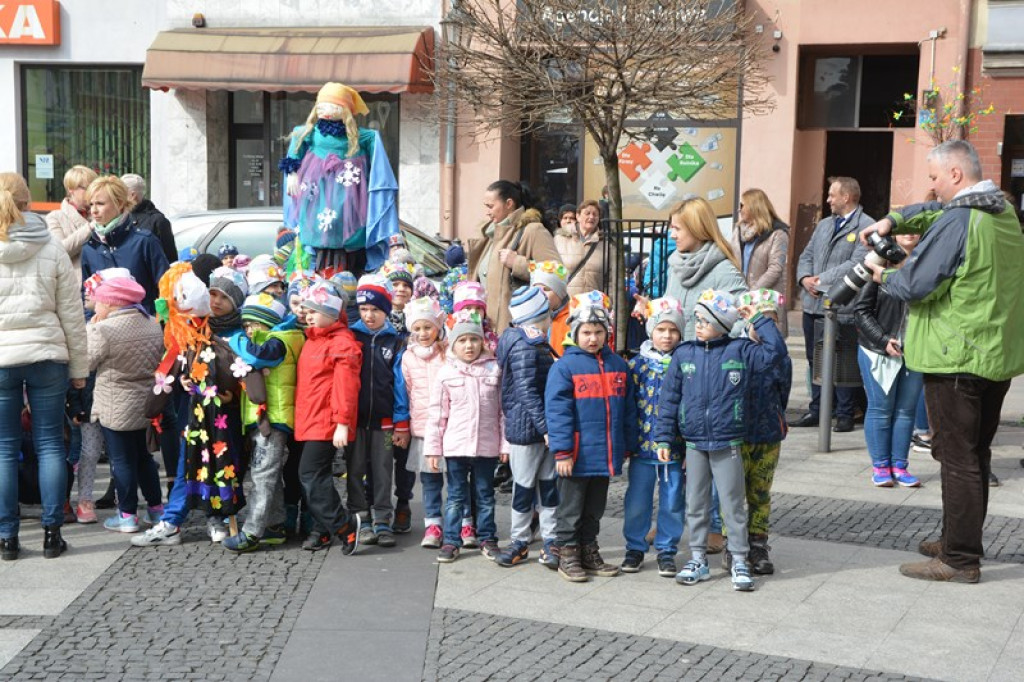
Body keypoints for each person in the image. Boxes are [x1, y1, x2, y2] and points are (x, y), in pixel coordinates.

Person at [860, 140, 1024, 583]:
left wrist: (882, 273)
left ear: (955, 174)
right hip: (994, 354)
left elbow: (915, 283)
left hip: (956, 356)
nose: (931, 188)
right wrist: (895, 218)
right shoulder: (1000, 213)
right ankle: (959, 537)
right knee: (975, 454)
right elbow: (937, 215)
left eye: (934, 178)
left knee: (957, 458)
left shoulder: (962, 220)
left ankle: (958, 557)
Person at [653, 290, 785, 592]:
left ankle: (739, 559)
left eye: (705, 320)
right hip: (695, 443)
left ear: (723, 324)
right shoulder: (684, 354)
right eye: (697, 319)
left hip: (728, 442)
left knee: (732, 504)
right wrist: (663, 438)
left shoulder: (741, 351)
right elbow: (669, 400)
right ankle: (697, 557)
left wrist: (755, 319)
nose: (698, 325)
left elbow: (775, 352)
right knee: (696, 503)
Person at [0, 172, 87, 560]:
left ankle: (8, 538)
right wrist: (80, 368)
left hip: (2, 358)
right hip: (48, 354)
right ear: (27, 201)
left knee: (4, 449)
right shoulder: (51, 247)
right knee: (51, 443)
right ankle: (52, 533)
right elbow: (72, 314)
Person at [545, 292, 638, 582]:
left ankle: (588, 549)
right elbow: (558, 412)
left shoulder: (618, 366)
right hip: (576, 454)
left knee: (595, 508)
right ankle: (567, 552)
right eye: (586, 332)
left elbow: (628, 410)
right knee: (570, 507)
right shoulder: (564, 367)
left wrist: (628, 445)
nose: (593, 338)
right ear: (575, 333)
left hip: (605, 452)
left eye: (599, 332)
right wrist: (562, 451)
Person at [85, 270, 165, 533]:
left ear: (110, 302)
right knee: (144, 457)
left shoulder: (102, 330)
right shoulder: (152, 323)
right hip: (146, 403)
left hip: (115, 404)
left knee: (121, 461)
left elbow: (86, 363)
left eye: (98, 301)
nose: (96, 305)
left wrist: (90, 328)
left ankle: (128, 516)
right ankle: (156, 509)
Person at [223, 293, 305, 552]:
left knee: (262, 475)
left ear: (267, 321)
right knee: (268, 474)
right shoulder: (277, 337)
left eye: (252, 324)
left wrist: (235, 338)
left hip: (274, 417)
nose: (248, 330)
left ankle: (252, 531)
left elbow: (256, 356)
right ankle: (275, 525)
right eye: (245, 326)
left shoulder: (281, 340)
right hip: (266, 416)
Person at [791, 176, 873, 433]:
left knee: (843, 360)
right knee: (814, 359)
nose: (827, 200)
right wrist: (805, 279)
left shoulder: (866, 226)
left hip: (842, 308)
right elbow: (806, 254)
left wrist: (821, 280)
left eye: (831, 195)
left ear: (846, 197)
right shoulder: (825, 224)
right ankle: (818, 410)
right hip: (813, 305)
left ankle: (846, 413)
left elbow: (857, 265)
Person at [425, 310, 508, 563]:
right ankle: (451, 540)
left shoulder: (494, 370)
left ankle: (487, 538)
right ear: (453, 343)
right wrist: (433, 449)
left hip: (486, 446)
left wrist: (505, 445)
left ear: (482, 341)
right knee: (456, 497)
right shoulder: (446, 373)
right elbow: (437, 415)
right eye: (462, 340)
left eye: (473, 339)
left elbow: (503, 412)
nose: (469, 345)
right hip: (456, 447)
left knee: (485, 494)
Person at [294, 280, 362, 554]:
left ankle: (343, 525)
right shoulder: (315, 337)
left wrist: (342, 423)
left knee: (310, 474)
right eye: (306, 310)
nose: (308, 315)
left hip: (326, 422)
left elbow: (346, 388)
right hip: (312, 420)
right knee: (314, 476)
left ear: (332, 314)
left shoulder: (340, 343)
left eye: (314, 310)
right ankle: (324, 529)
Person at [621, 297, 686, 577]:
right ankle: (635, 547)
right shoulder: (636, 365)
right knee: (637, 501)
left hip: (674, 450)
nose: (667, 336)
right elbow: (627, 407)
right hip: (642, 450)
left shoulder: (686, 364)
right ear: (651, 331)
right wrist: (629, 442)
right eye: (661, 330)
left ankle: (667, 550)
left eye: (673, 331)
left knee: (672, 502)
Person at [494, 286, 558, 569]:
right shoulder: (527, 346)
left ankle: (551, 539)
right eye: (547, 314)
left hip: (534, 426)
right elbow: (527, 391)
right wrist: (546, 427)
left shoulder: (529, 342)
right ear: (538, 316)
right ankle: (519, 541)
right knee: (525, 487)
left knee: (548, 485)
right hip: (530, 429)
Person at [853, 233, 923, 489]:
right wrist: (883, 340)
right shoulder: (877, 262)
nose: (910, 233)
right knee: (881, 409)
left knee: (906, 411)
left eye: (914, 229)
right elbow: (861, 311)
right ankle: (881, 466)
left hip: (914, 349)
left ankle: (900, 466)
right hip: (877, 349)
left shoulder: (925, 262)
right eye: (904, 228)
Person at [731, 288, 792, 575]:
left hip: (768, 434)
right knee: (733, 493)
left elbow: (783, 392)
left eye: (771, 321)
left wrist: (779, 418)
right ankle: (735, 545)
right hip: (738, 434)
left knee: (760, 493)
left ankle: (758, 543)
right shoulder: (737, 351)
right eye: (760, 321)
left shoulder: (781, 356)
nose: (767, 327)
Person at [347, 275, 410, 548]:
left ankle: (383, 518)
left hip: (384, 421)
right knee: (355, 469)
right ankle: (362, 518)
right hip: (355, 420)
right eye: (364, 309)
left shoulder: (395, 341)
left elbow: (400, 384)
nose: (369, 315)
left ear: (386, 310)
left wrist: (400, 420)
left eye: (375, 310)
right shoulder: (351, 337)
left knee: (384, 469)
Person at [633, 198, 746, 341]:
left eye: (677, 229)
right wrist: (652, 311)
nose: (672, 235)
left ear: (696, 229)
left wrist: (715, 347)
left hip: (709, 361)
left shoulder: (724, 270)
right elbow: (672, 316)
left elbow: (744, 320)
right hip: (678, 358)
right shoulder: (675, 265)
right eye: (671, 228)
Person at [400, 297, 459, 548]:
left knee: (456, 479)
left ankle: (460, 522)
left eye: (427, 327)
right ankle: (433, 523)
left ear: (438, 327)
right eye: (417, 328)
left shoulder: (448, 354)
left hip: (452, 427)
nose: (423, 333)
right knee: (430, 480)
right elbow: (405, 391)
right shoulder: (408, 357)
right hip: (424, 429)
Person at [466, 180, 562, 332]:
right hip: (486, 332)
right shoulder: (489, 234)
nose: (487, 212)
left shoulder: (532, 230)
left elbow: (558, 272)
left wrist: (519, 263)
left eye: (491, 206)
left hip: (519, 332)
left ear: (509, 204)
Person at [81, 176, 170, 313]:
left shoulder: (144, 241)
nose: (93, 210)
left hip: (143, 328)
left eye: (100, 203)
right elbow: (87, 297)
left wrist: (158, 325)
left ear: (120, 203)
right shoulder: (90, 248)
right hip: (104, 330)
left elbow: (166, 289)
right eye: (91, 204)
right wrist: (91, 325)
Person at [727, 188, 790, 336]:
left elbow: (776, 268)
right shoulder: (738, 231)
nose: (739, 209)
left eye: (742, 205)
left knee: (764, 341)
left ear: (754, 207)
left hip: (765, 300)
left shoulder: (778, 233)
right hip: (739, 295)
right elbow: (730, 259)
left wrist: (753, 292)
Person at [44, 164, 98, 276]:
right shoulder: (55, 217)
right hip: (75, 284)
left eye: (95, 188)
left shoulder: (99, 213)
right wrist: (90, 227)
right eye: (87, 188)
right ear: (71, 189)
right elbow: (60, 251)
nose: (92, 193)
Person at [554, 199, 612, 301]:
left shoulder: (605, 244)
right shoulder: (560, 239)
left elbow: (611, 280)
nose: (591, 217)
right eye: (587, 213)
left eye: (595, 214)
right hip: (566, 304)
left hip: (594, 305)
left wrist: (609, 303)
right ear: (578, 216)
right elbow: (551, 273)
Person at [121, 174, 177, 265]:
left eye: (119, 194)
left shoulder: (157, 221)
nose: (116, 199)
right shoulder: (120, 217)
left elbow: (170, 260)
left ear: (132, 195)